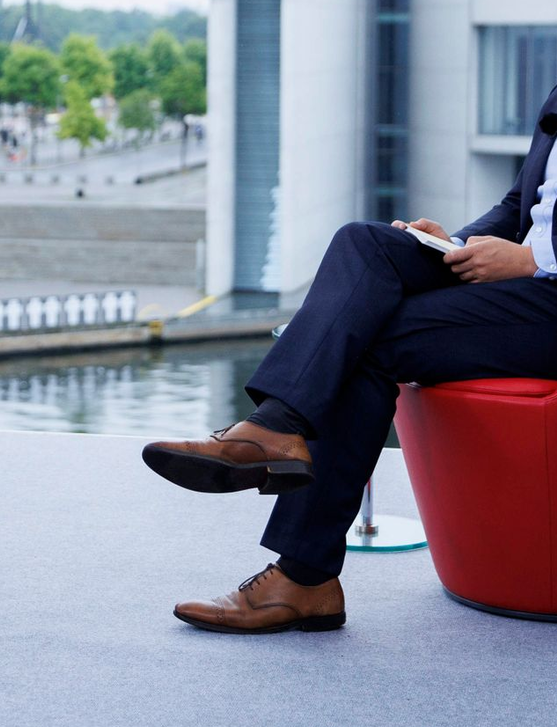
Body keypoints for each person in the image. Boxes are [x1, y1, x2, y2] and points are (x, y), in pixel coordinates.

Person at [142, 88, 557, 634]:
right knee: (365, 243)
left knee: (367, 339)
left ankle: (302, 570)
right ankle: (276, 429)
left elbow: (539, 243)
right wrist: (456, 244)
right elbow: (522, 203)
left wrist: (531, 258)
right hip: (529, 283)